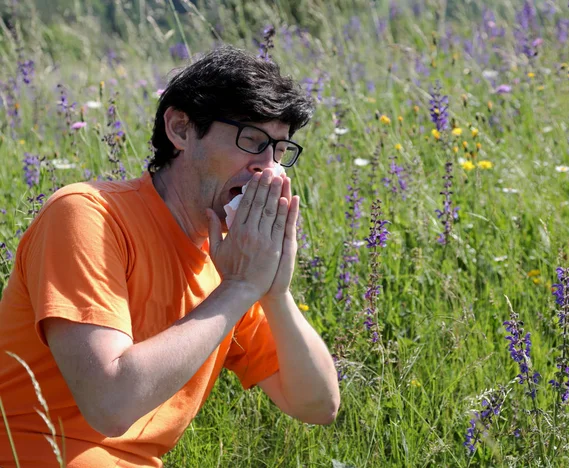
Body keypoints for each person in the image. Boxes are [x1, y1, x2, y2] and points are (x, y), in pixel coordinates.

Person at [0, 45, 340, 467]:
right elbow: (110, 405)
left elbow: (317, 405)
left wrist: (274, 290)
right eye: (251, 140)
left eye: (279, 150)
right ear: (180, 129)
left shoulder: (227, 263)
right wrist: (239, 288)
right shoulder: (88, 215)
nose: (270, 170)